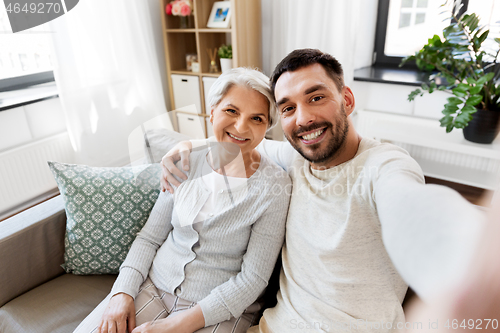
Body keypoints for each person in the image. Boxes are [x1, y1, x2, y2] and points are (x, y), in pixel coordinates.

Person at [160, 49, 487, 333]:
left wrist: (476, 264)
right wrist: (185, 147)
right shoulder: (295, 158)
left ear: (347, 99)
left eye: (316, 97)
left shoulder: (385, 166)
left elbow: (416, 210)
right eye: (288, 108)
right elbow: (237, 141)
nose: (303, 119)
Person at [73, 67, 292, 333]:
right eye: (231, 111)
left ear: (266, 128)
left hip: (219, 308)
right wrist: (122, 293)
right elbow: (150, 237)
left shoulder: (275, 187)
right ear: (212, 111)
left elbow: (252, 279)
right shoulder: (184, 161)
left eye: (256, 118)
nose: (241, 126)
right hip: (154, 286)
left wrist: (177, 325)